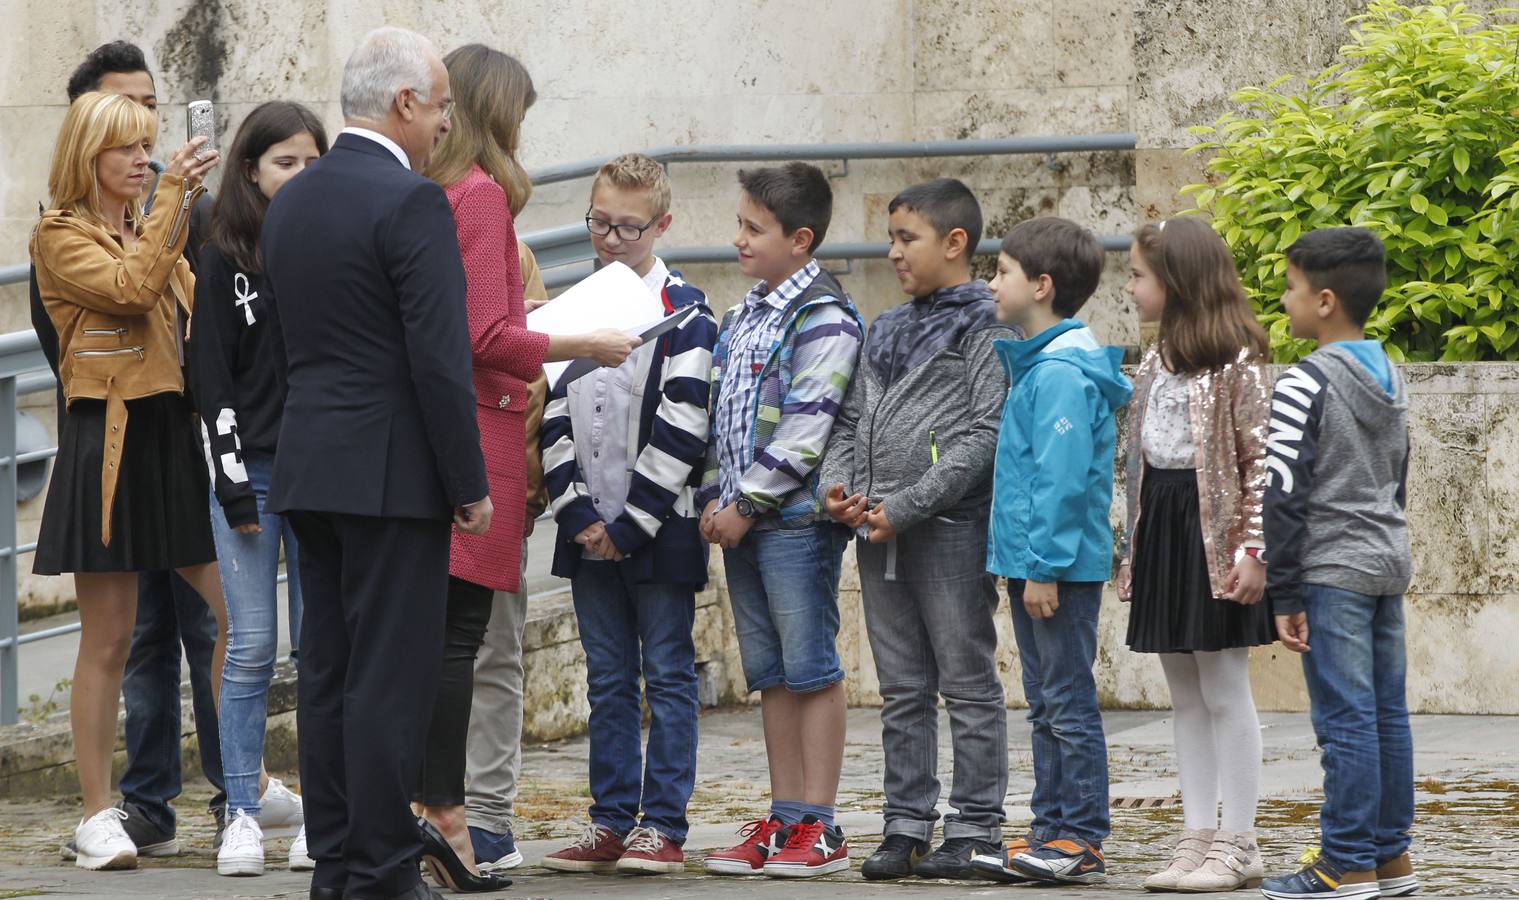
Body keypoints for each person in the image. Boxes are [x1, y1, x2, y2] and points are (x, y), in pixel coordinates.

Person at [261, 27, 493, 900]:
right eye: (438, 106)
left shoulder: (293, 200)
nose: (442, 125)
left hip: (312, 462)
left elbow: (297, 345)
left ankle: (338, 863)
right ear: (403, 103)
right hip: (393, 475)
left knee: (325, 671)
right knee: (388, 679)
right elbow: (438, 359)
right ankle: (386, 869)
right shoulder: (411, 202)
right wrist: (467, 484)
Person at [31, 42, 265, 863]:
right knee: (110, 636)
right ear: (86, 155)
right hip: (110, 441)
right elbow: (128, 288)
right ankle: (100, 812)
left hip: (172, 434)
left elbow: (193, 320)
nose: (144, 156)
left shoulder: (148, 224)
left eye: (146, 141)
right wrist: (173, 198)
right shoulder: (60, 235)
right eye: (126, 146)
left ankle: (246, 778)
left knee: (240, 618)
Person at [418, 45, 639, 891]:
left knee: (440, 645)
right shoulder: (475, 196)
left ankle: (449, 820)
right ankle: (457, 825)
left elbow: (472, 317)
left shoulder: (428, 194)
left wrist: (531, 315)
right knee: (461, 643)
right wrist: (581, 339)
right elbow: (482, 341)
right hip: (481, 437)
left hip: (441, 440)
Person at [818, 178, 1013, 881]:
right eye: (891, 238)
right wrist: (835, 490)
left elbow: (984, 435)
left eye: (908, 239)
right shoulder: (886, 326)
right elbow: (849, 423)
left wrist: (910, 502)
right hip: (877, 531)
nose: (893, 252)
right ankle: (905, 824)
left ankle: (975, 826)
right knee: (900, 685)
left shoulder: (985, 325)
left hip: (948, 529)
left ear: (954, 243)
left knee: (964, 678)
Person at [537, 153, 716, 876]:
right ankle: (610, 817)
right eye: (598, 223)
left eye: (627, 228)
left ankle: (662, 822)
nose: (609, 240)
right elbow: (551, 408)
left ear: (662, 224)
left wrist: (629, 524)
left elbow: (683, 423)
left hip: (657, 525)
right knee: (607, 676)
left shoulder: (686, 311)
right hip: (588, 528)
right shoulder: (578, 303)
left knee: (667, 673)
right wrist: (575, 510)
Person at [699, 162, 864, 879]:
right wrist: (716, 497)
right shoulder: (744, 313)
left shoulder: (823, 315)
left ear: (800, 239)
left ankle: (820, 824)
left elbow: (805, 427)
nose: (737, 238)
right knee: (768, 672)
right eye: (738, 223)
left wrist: (743, 502)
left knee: (809, 666)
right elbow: (718, 416)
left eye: (752, 228)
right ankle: (786, 813)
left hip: (791, 522)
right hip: (740, 520)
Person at [190, 100, 328, 879]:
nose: (301, 177)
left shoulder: (329, 246)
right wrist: (235, 488)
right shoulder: (224, 254)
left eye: (313, 163)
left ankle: (322, 812)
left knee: (321, 653)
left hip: (323, 475)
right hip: (253, 476)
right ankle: (241, 811)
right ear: (251, 169)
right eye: (285, 163)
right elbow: (210, 378)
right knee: (248, 648)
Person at [1115, 216, 1273, 892]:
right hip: (1165, 529)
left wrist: (1253, 548)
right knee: (1183, 694)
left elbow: (1259, 459)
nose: (1128, 287)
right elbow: (1143, 458)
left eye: (1136, 275)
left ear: (1176, 281)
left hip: (1214, 537)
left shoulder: (1238, 358)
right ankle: (1196, 835)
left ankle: (1238, 840)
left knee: (1223, 688)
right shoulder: (1155, 360)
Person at [1259, 228, 1416, 900]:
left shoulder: (1304, 381)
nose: (1283, 301)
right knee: (1385, 714)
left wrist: (1283, 591)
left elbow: (1282, 490)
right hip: (1385, 558)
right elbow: (1398, 475)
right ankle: (1391, 861)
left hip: (1330, 570)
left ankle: (1344, 863)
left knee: (1344, 719)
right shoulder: (1389, 374)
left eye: (1291, 289)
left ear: (1323, 300)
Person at [980, 217, 1131, 886]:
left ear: (1039, 286)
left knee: (1065, 702)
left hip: (1055, 570)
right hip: (1030, 564)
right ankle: (1049, 830)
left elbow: (1062, 484)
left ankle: (1080, 837)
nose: (991, 283)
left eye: (1001, 271)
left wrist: (1040, 568)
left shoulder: (1063, 374)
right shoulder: (1039, 365)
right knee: (1045, 702)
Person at [464, 243, 550, 876]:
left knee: (495, 648)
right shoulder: (390, 222)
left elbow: (531, 373)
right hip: (409, 484)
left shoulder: (506, 251)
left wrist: (521, 481)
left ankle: (487, 816)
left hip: (493, 485)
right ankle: (424, 803)